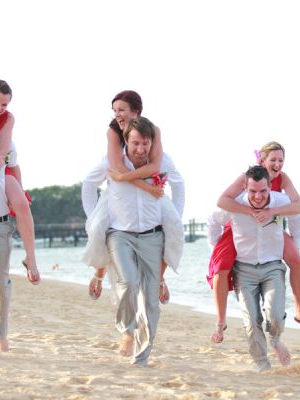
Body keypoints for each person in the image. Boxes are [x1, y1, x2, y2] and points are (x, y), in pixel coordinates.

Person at [208, 141, 300, 343]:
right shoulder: (248, 176)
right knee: (221, 266)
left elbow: (298, 207)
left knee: (296, 259)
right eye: (273, 160)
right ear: (262, 160)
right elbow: (222, 201)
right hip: (240, 224)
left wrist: (272, 212)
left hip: (269, 222)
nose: (277, 164)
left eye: (281, 160)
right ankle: (220, 320)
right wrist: (251, 212)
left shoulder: (283, 178)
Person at [105, 116, 184, 365]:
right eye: (135, 143)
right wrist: (93, 215)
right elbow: (88, 184)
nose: (140, 149)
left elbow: (180, 185)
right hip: (120, 234)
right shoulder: (113, 163)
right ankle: (127, 330)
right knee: (129, 282)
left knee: (150, 302)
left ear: (152, 142)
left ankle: (141, 359)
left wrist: (175, 216)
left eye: (145, 144)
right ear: (126, 141)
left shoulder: (162, 163)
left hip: (153, 236)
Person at [86, 90, 169, 301]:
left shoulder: (153, 130)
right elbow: (117, 166)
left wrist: (126, 179)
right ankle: (99, 272)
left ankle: (160, 278)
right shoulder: (113, 131)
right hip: (117, 193)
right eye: (114, 110)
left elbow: (154, 166)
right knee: (97, 228)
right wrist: (144, 186)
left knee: (175, 229)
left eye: (121, 110)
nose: (117, 114)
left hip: (147, 194)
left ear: (136, 111)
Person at [207, 165, 291, 372]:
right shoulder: (234, 206)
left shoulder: (280, 202)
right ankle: (263, 365)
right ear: (244, 187)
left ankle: (275, 339)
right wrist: (216, 246)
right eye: (252, 191)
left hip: (273, 267)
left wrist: (295, 242)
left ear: (270, 187)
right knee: (252, 321)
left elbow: (298, 211)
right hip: (244, 271)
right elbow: (213, 219)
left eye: (263, 191)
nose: (258, 197)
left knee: (275, 315)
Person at [0, 80, 40, 285]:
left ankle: (31, 259)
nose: (0, 108)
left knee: (22, 204)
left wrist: (21, 190)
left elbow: (3, 155)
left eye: (4, 104)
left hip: (3, 167)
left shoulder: (8, 118)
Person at [0, 164, 14, 352]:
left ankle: (1, 333)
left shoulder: (5, 152)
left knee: (3, 282)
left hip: (0, 226)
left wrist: (19, 190)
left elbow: (14, 167)